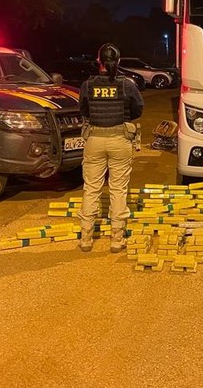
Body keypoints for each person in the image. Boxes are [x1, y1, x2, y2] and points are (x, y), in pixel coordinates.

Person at [77, 43, 144, 253]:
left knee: (91, 188)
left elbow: (83, 110)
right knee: (118, 189)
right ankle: (117, 238)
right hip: (119, 139)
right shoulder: (127, 85)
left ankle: (86, 237)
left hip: (94, 139)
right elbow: (138, 109)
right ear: (119, 61)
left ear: (99, 61)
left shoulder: (88, 85)